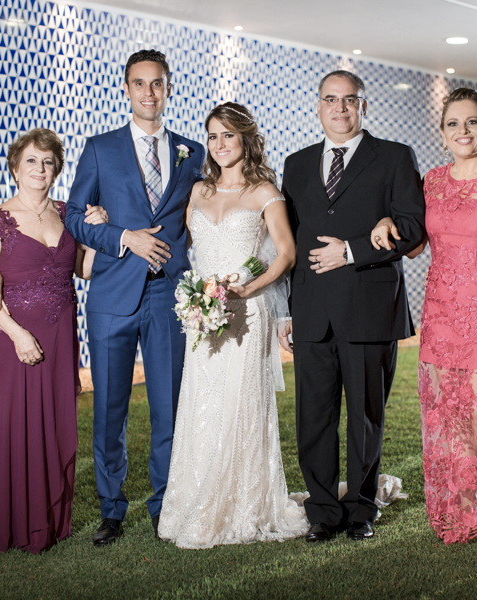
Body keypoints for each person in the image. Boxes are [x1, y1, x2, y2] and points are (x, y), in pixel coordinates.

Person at [374, 88, 477, 543]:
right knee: (446, 418)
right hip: (441, 317)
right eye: (453, 124)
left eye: (471, 122)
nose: (463, 131)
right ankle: (458, 515)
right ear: (442, 134)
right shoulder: (431, 183)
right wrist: (387, 224)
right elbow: (416, 244)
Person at [64, 49, 205, 546]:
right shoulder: (99, 148)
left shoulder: (193, 152)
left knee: (170, 408)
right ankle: (111, 508)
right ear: (126, 89)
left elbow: (203, 215)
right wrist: (124, 237)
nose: (149, 92)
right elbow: (75, 217)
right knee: (110, 410)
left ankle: (166, 504)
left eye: (157, 83)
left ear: (169, 89)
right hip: (111, 297)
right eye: (139, 83)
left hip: (169, 296)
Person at [279, 70, 425, 542]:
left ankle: (361, 508)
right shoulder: (296, 164)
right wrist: (286, 309)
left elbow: (412, 229)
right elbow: (288, 243)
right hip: (311, 312)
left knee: (365, 418)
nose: (339, 109)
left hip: (369, 310)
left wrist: (351, 250)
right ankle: (322, 510)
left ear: (364, 106)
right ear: (318, 106)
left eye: (349, 100)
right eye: (330, 99)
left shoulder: (395, 157)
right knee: (314, 419)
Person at [157, 102, 308, 549]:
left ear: (245, 139)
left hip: (247, 312)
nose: (220, 144)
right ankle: (194, 498)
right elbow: (182, 246)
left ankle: (245, 503)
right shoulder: (197, 191)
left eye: (228, 135)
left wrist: (248, 287)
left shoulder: (264, 192)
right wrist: (197, 295)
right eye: (213, 136)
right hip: (203, 313)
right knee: (202, 402)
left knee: (241, 405)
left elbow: (285, 253)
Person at [0, 129, 99, 553]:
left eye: (47, 162)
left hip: (61, 334)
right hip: (15, 338)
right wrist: (17, 334)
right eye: (31, 160)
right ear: (14, 167)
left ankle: (49, 521)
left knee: (56, 421)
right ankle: (12, 525)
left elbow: (83, 271)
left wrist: (95, 233)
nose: (39, 169)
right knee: (15, 424)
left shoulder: (67, 214)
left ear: (56, 169)